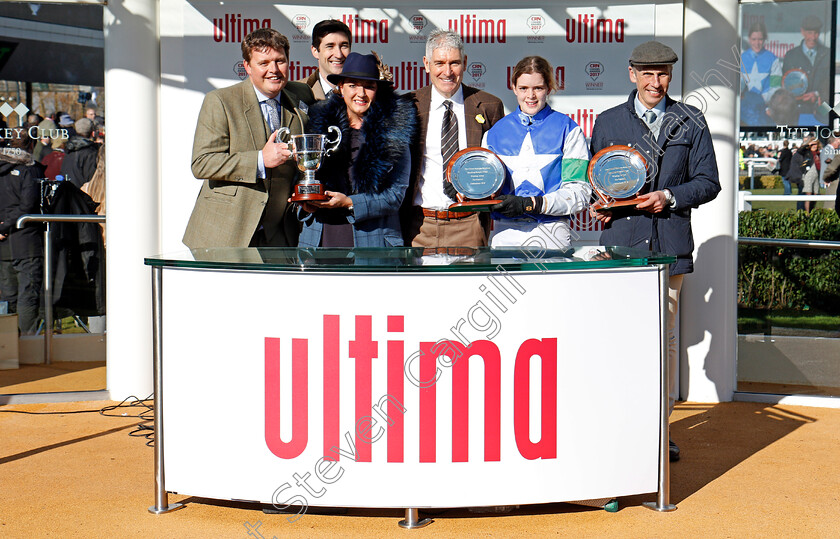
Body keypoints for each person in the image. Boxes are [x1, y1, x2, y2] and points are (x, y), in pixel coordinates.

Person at [589, 41, 721, 462]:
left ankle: (658, 433)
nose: (654, 81)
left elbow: (708, 182)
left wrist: (668, 195)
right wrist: (601, 203)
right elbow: (598, 180)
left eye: (662, 73)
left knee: (662, 344)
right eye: (646, 73)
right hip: (622, 247)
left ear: (670, 76)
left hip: (669, 246)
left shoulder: (691, 120)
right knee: (620, 339)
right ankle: (620, 431)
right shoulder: (609, 121)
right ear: (632, 74)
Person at [184, 28, 315, 248]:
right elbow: (202, 163)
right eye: (264, 63)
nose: (273, 70)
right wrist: (259, 161)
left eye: (280, 61)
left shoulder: (302, 95)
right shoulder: (220, 101)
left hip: (280, 238)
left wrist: (305, 191)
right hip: (226, 235)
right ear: (247, 67)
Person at [296, 52, 417, 248]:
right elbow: (302, 177)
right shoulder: (318, 127)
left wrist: (349, 202)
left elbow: (395, 196)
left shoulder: (394, 132)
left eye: (369, 87)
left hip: (374, 243)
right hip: (320, 239)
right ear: (341, 88)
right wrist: (306, 203)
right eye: (352, 85)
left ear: (377, 90)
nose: (360, 93)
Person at [403, 29, 505, 249]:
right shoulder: (408, 106)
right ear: (426, 63)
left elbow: (499, 169)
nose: (447, 71)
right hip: (420, 226)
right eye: (439, 63)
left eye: (454, 63)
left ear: (465, 62)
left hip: (469, 225)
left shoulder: (489, 106)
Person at [480, 56, 591, 248]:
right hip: (505, 234)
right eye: (523, 88)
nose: (530, 96)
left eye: (537, 88)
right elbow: (482, 189)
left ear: (548, 88)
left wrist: (532, 204)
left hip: (552, 234)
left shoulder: (569, 129)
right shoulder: (493, 134)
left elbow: (580, 193)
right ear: (514, 87)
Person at [0, 133, 45, 334]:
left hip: (4, 240)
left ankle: (7, 346)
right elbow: (28, 204)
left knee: (8, 296)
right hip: (25, 240)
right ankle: (26, 347)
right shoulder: (30, 170)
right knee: (27, 295)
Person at [781, 15, 830, 122]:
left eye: (816, 33)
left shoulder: (827, 54)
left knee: (821, 133)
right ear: (802, 32)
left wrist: (817, 95)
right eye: (809, 33)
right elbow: (785, 86)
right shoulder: (791, 55)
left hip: (821, 110)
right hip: (797, 111)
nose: (813, 37)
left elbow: (830, 84)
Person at [298, 19, 352, 101]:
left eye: (344, 46)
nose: (339, 55)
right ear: (315, 51)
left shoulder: (364, 92)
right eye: (330, 46)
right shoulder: (296, 92)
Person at [741, 22, 781, 106]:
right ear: (749, 39)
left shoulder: (773, 59)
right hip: (745, 106)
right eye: (754, 39)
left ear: (765, 39)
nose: (757, 43)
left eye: (760, 39)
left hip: (765, 105)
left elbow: (776, 86)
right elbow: (737, 85)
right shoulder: (741, 58)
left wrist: (763, 99)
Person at [61, 117, 100, 188]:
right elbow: (91, 179)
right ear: (92, 132)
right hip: (82, 194)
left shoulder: (69, 149)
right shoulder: (90, 152)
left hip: (68, 192)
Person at [787, 137, 813, 211]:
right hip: (800, 176)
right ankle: (801, 211)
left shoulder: (800, 152)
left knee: (802, 194)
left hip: (798, 175)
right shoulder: (802, 153)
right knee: (802, 195)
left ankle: (801, 211)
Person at [801, 139, 821, 213]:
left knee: (816, 193)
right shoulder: (807, 152)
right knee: (808, 194)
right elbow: (800, 150)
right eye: (813, 144)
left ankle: (812, 211)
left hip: (816, 174)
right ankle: (807, 213)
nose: (815, 146)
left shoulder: (818, 153)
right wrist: (808, 144)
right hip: (808, 174)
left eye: (816, 144)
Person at [821, 135, 840, 211]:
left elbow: (831, 170)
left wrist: (825, 178)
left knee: (829, 209)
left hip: (836, 186)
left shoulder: (838, 157)